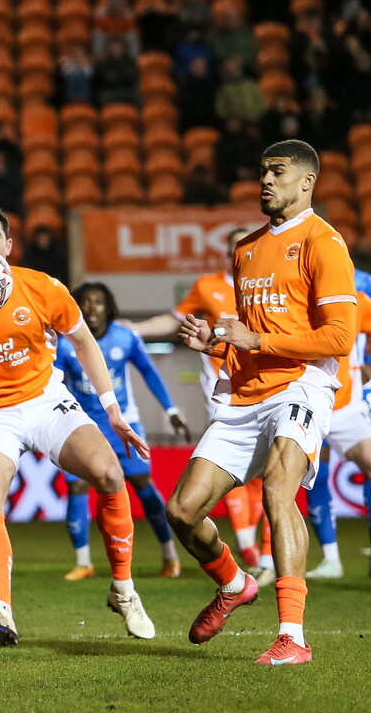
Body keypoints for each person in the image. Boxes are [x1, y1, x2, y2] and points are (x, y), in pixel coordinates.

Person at [0, 202, 156, 647]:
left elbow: (83, 340)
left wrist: (112, 410)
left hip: (45, 401)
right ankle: (2, 610)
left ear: (9, 245)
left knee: (110, 474)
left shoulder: (40, 287)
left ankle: (123, 590)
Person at [169, 139, 357, 665]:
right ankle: (234, 583)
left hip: (301, 385)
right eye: (263, 172)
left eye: (278, 172)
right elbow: (253, 333)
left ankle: (293, 637)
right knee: (182, 511)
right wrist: (218, 344)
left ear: (307, 181)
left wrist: (256, 340)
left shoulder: (324, 242)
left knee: (278, 488)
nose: (266, 181)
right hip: (244, 393)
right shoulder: (247, 248)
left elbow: (340, 337)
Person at [131, 226, 272, 577]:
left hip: (271, 388)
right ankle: (249, 549)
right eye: (235, 247)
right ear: (227, 253)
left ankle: (267, 557)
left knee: (269, 474)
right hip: (226, 394)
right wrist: (131, 329)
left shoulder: (270, 285)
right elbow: (174, 320)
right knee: (233, 471)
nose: (241, 252)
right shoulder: (208, 286)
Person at [55, 282, 191, 581]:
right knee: (76, 487)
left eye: (98, 302)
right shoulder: (65, 342)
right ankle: (83, 562)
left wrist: (171, 410)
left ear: (109, 307)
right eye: (85, 301)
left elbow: (149, 373)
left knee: (142, 484)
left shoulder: (125, 337)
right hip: (82, 426)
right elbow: (52, 379)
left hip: (123, 423)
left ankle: (169, 554)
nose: (92, 307)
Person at [305, 279, 371, 579]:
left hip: (345, 405)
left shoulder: (359, 299)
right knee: (303, 478)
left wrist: (366, 362)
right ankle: (330, 560)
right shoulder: (298, 296)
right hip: (304, 403)